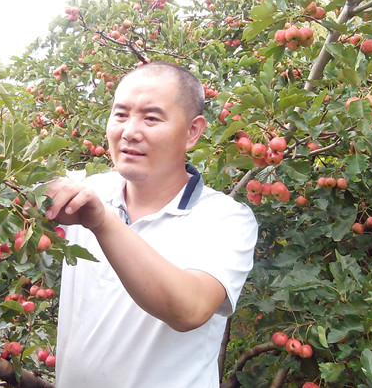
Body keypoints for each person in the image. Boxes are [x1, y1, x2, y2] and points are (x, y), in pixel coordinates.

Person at [42, 61, 257, 387]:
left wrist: (101, 222)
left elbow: (190, 309)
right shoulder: (86, 190)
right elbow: (5, 187)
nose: (129, 131)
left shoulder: (226, 219)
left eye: (151, 118)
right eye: (120, 114)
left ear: (192, 131)